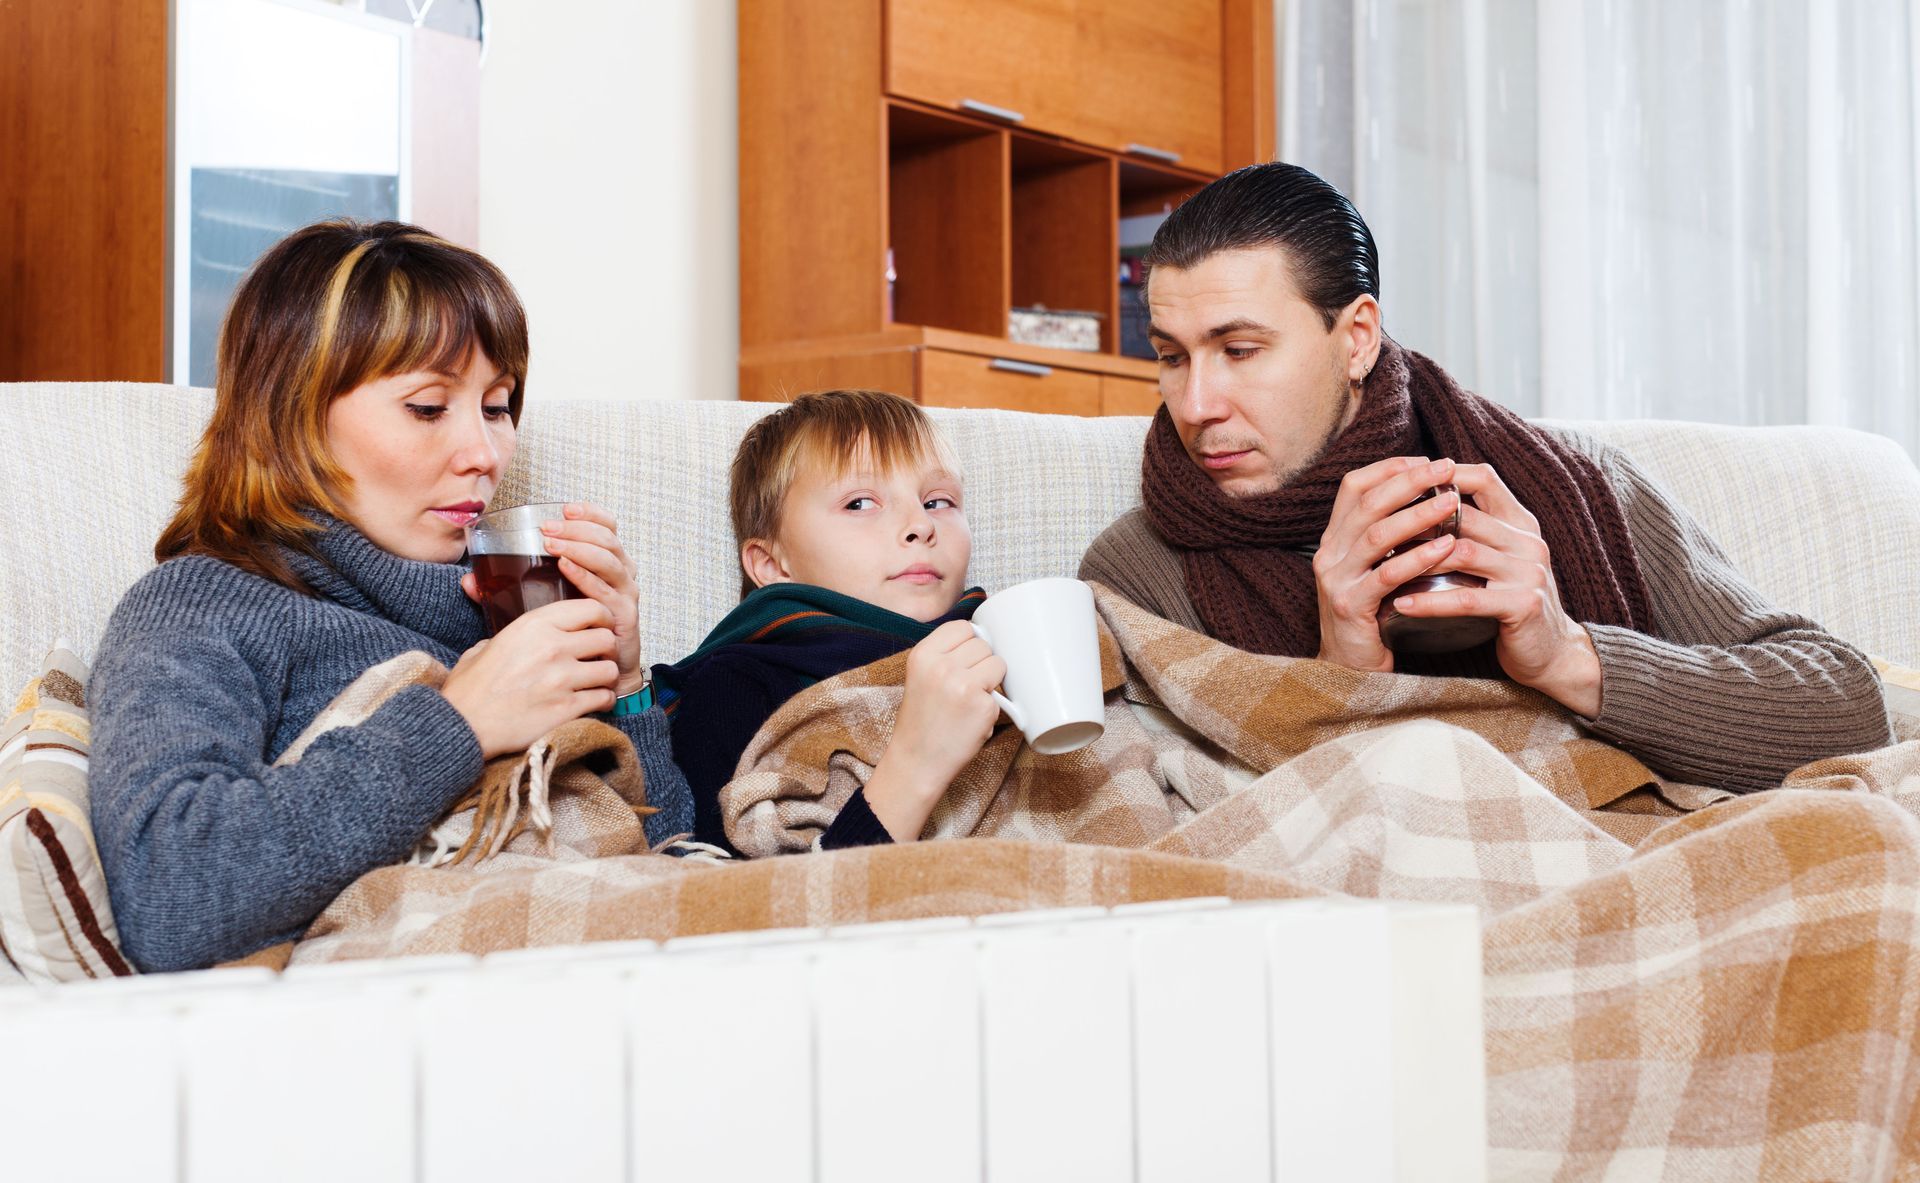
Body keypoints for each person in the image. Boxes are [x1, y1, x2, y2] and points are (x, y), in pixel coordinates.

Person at [1080, 162, 1891, 792]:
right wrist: (1339, 678)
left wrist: (1569, 654)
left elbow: (1847, 705)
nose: (1196, 402)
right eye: (1171, 356)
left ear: (1356, 337)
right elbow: (1177, 816)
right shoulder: (1137, 569)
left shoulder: (1569, 486)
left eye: (1240, 350)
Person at [89, 220, 694, 973]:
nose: (483, 455)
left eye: (498, 406)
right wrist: (461, 721)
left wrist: (627, 683)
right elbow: (170, 892)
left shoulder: (510, 611)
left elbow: (668, 852)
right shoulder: (203, 603)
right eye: (428, 407)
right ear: (293, 415)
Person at [652, 389, 1000, 853]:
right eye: (859, 503)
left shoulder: (1005, 641)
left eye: (938, 501)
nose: (921, 524)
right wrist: (914, 767)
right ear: (773, 566)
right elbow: (736, 898)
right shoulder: (735, 683)